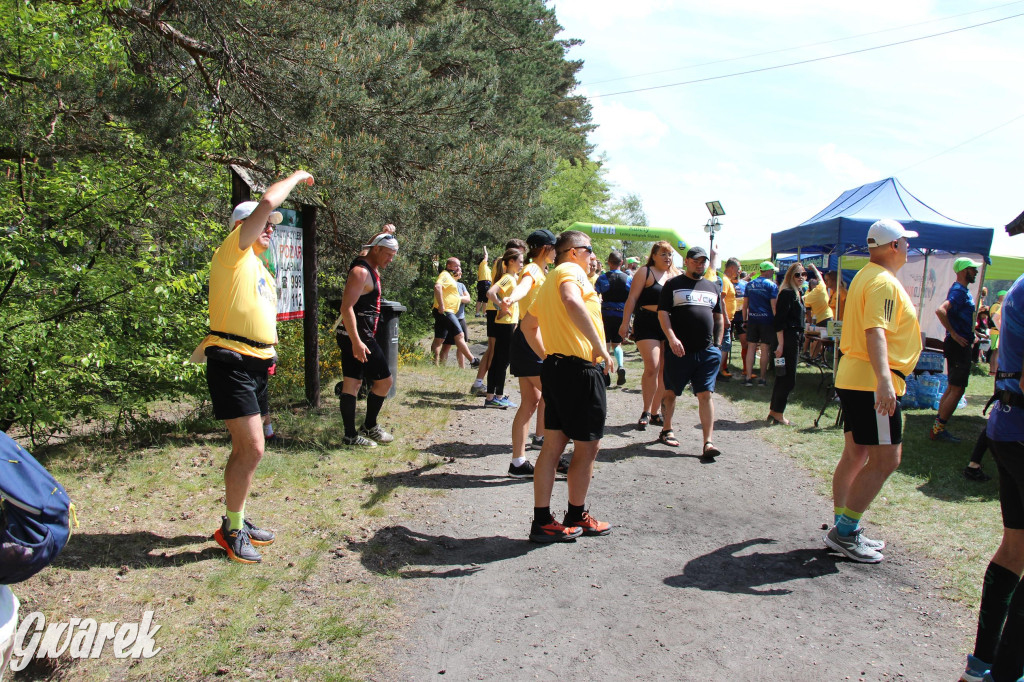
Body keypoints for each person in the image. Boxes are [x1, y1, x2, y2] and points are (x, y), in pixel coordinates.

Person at [191, 169, 314, 564]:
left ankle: (237, 519)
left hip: (258, 363)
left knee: (249, 449)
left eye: (273, 227)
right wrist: (296, 176)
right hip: (232, 360)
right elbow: (267, 203)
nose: (271, 229)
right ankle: (230, 530)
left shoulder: (259, 268)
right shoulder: (233, 253)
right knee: (253, 449)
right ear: (240, 228)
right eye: (264, 225)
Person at [824, 218, 921, 563]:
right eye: (906, 242)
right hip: (871, 379)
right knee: (886, 459)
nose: (909, 248)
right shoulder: (882, 281)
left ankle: (842, 525)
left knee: (857, 454)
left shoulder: (868, 275)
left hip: (856, 375)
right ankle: (845, 532)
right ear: (894, 245)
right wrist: (883, 380)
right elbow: (875, 331)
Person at [520, 230, 612, 542]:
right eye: (589, 250)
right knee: (588, 447)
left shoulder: (549, 280)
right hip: (579, 371)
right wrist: (599, 346)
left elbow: (528, 325)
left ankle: (543, 521)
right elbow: (571, 300)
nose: (592, 256)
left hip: (557, 369)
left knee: (553, 446)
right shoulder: (570, 271)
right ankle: (576, 515)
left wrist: (547, 354)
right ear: (573, 252)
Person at [958, 272, 1024, 682]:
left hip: (1008, 428)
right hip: (1018, 430)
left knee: (1015, 550)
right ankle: (1005, 671)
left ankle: (984, 664)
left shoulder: (1019, 286)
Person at [657, 246, 724, 456]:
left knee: (705, 394)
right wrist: (672, 338)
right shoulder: (673, 284)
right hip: (679, 351)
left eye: (703, 261)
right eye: (696, 261)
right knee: (670, 392)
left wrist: (718, 345)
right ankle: (666, 429)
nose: (700, 264)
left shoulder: (712, 287)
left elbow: (719, 317)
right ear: (686, 261)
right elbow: (663, 314)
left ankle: (708, 443)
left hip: (706, 351)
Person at [336, 232, 399, 447]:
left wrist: (383, 231)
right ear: (377, 250)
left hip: (355, 336)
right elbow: (346, 307)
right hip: (359, 336)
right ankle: (368, 427)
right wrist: (356, 342)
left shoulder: (366, 259)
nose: (391, 259)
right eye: (389, 254)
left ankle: (350, 435)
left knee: (352, 383)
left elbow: (368, 246)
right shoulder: (360, 272)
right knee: (385, 381)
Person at [506, 229, 557, 476]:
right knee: (556, 396)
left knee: (531, 401)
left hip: (529, 339)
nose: (557, 252)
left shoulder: (544, 271)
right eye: (554, 247)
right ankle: (552, 458)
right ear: (546, 248)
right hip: (529, 340)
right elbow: (523, 287)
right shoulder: (533, 270)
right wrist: (511, 298)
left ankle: (518, 462)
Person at [619, 241, 678, 429]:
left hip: (669, 324)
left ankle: (655, 412)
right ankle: (645, 410)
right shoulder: (645, 272)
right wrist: (625, 322)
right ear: (653, 255)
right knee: (652, 366)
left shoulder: (676, 275)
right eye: (663, 254)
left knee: (664, 370)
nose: (667, 257)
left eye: (669, 254)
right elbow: (632, 298)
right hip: (647, 322)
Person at [931, 257, 981, 442]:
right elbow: (940, 310)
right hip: (958, 347)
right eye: (972, 269)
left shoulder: (961, 291)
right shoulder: (959, 292)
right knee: (957, 389)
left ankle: (937, 427)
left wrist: (970, 333)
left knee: (953, 387)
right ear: (962, 270)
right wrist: (954, 333)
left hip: (959, 345)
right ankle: (938, 429)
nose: (975, 272)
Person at [471, 239, 528, 395]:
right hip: (496, 311)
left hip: (500, 311)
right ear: (512, 253)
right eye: (520, 252)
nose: (522, 256)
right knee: (495, 352)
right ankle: (485, 386)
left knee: (495, 351)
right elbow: (495, 288)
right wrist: (500, 306)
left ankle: (485, 385)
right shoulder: (501, 264)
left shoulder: (505, 266)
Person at [484, 248, 524, 408]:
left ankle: (492, 396)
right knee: (502, 362)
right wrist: (501, 305)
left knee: (500, 361)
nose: (522, 264)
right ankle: (496, 397)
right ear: (511, 262)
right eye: (520, 261)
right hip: (505, 324)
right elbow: (490, 292)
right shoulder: (507, 278)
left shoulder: (513, 277)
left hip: (508, 323)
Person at [767, 263, 807, 426]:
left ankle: (774, 411)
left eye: (803, 274)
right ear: (790, 276)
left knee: (783, 377)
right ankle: (778, 413)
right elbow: (779, 321)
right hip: (788, 337)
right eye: (797, 274)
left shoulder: (798, 293)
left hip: (794, 337)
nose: (801, 277)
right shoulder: (787, 293)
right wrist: (781, 345)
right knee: (788, 378)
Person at [595, 250, 632, 386]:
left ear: (609, 263)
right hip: (621, 314)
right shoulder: (628, 278)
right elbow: (632, 296)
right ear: (621, 263)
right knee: (617, 344)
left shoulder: (603, 278)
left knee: (606, 344)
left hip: (605, 314)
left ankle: (605, 373)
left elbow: (595, 294)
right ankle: (620, 365)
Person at [431, 257, 474, 366]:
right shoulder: (445, 274)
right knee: (460, 335)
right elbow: (437, 286)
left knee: (439, 339)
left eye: (459, 266)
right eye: (456, 266)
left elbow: (467, 298)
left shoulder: (450, 277)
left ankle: (434, 365)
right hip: (446, 311)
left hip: (448, 311)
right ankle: (473, 361)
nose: (458, 268)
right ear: (449, 266)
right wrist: (441, 305)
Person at [743, 261, 779, 387]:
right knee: (765, 349)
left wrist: (744, 320)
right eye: (772, 271)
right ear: (767, 271)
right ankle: (762, 379)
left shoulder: (750, 284)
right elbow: (774, 306)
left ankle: (748, 378)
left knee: (751, 348)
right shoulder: (772, 285)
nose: (773, 273)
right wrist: (777, 321)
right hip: (767, 320)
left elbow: (745, 305)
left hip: (752, 319)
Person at [704, 251, 736, 381]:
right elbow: (721, 300)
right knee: (722, 345)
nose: (739, 271)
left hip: (722, 318)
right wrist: (726, 318)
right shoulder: (723, 279)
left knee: (721, 345)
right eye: (738, 268)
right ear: (732, 267)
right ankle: (716, 371)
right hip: (721, 319)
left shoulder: (724, 279)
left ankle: (717, 370)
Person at [439, 271, 474, 368]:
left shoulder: (461, 285)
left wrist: (457, 298)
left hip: (460, 318)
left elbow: (468, 299)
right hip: (450, 317)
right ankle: (441, 367)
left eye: (461, 271)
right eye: (459, 271)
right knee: (446, 345)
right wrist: (460, 298)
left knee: (462, 346)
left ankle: (461, 368)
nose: (461, 273)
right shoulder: (447, 284)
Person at [802, 263, 833, 359]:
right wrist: (814, 269)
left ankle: (812, 357)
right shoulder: (822, 288)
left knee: (816, 340)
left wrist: (811, 324)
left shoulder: (807, 297)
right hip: (829, 317)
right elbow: (820, 277)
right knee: (827, 341)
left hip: (818, 320)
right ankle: (823, 359)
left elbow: (808, 312)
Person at [732, 266, 749, 378]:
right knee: (725, 345)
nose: (737, 272)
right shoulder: (726, 283)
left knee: (745, 343)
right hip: (728, 316)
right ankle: (722, 368)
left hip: (740, 317)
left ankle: (746, 368)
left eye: (739, 270)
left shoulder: (745, 284)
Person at [990, 289, 1007, 374]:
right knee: (996, 352)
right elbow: (993, 317)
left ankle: (994, 370)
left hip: (998, 331)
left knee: (996, 352)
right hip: (995, 331)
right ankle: (994, 370)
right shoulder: (996, 305)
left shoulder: (1002, 305)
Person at [475, 246, 491, 317]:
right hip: (485, 283)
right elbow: (486, 255)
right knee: (485, 299)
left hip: (482, 282)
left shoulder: (485, 268)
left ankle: (478, 313)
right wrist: (484, 248)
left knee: (480, 299)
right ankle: (484, 313)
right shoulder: (483, 264)